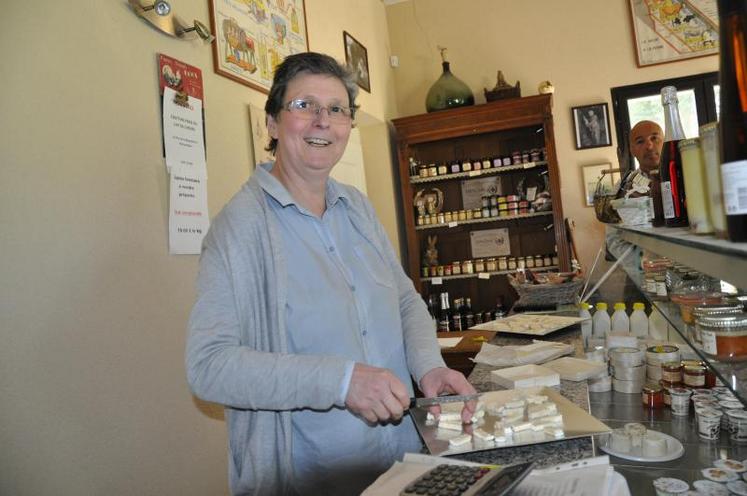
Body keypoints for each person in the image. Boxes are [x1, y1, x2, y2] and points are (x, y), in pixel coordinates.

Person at [185, 52, 476, 496]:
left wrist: (429, 369)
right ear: (272, 123)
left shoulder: (357, 207)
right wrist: (341, 382)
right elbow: (209, 367)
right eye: (305, 105)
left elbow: (403, 300)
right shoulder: (240, 228)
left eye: (337, 109)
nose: (323, 121)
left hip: (401, 466)